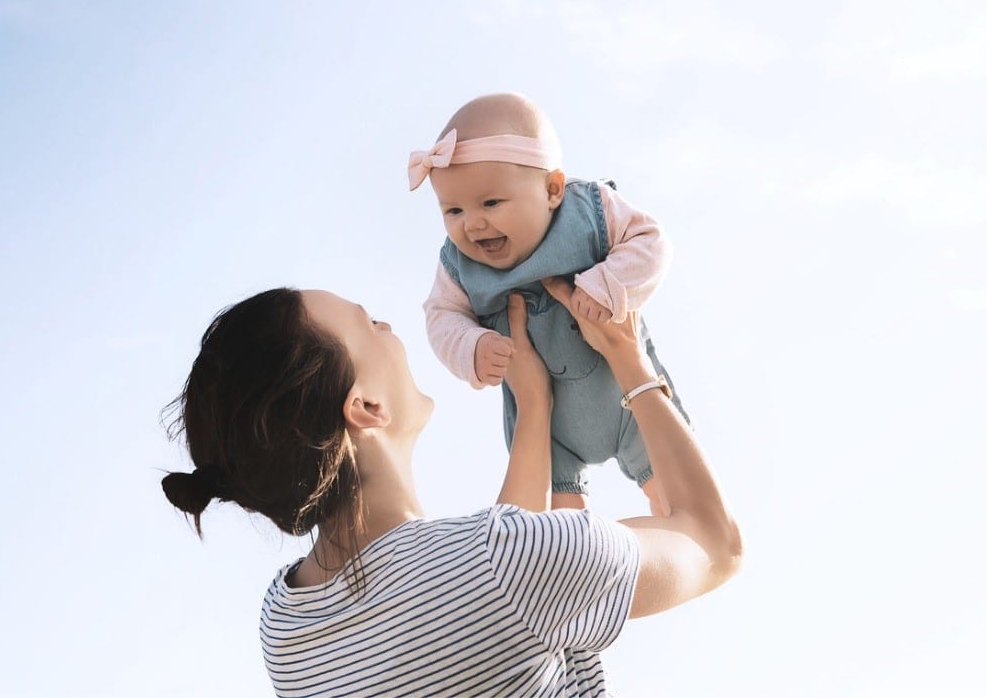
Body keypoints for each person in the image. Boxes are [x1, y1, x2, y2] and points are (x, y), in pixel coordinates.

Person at [162, 279, 741, 698]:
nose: (388, 327)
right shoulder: (510, 565)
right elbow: (717, 545)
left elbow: (485, 604)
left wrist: (534, 405)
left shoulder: (288, 628)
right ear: (365, 407)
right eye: (370, 325)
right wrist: (628, 358)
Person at [410, 92, 688, 514]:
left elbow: (651, 242)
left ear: (552, 189)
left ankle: (676, 530)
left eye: (490, 202)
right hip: (548, 425)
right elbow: (441, 316)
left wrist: (610, 284)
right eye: (453, 210)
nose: (472, 223)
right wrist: (471, 346)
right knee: (557, 530)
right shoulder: (458, 267)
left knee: (676, 496)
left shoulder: (588, 210)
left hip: (628, 394)